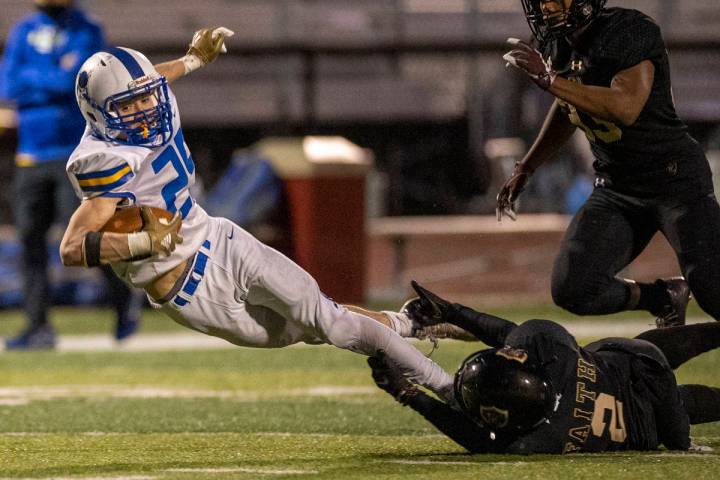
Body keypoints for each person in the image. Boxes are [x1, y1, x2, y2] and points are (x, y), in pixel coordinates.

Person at [57, 31, 458, 401]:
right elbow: (72, 248)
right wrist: (143, 241)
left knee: (330, 321)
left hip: (220, 239)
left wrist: (194, 59)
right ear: (97, 114)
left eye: (146, 97)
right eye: (128, 105)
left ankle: (450, 388)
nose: (145, 109)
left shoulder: (153, 95)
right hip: (191, 294)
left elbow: (157, 77)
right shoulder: (103, 159)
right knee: (320, 326)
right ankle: (409, 324)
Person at [496, 0, 720, 328]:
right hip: (617, 187)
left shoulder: (629, 31)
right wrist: (527, 167)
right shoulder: (559, 44)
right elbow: (567, 105)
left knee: (714, 292)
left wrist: (550, 80)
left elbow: (625, 107)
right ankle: (663, 298)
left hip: (674, 181)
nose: (546, 6)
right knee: (574, 287)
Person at [369, 281, 720, 454]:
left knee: (676, 435)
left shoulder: (537, 438)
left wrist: (408, 393)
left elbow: (477, 439)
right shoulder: (553, 351)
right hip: (632, 369)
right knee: (664, 387)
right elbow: (508, 332)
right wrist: (453, 312)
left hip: (635, 402)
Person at [0, 0, 144, 349]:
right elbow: (8, 85)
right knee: (30, 240)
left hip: (74, 154)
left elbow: (75, 82)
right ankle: (38, 327)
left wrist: (37, 78)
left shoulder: (86, 28)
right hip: (31, 154)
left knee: (83, 236)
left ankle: (123, 299)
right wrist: (51, 75)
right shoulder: (24, 31)